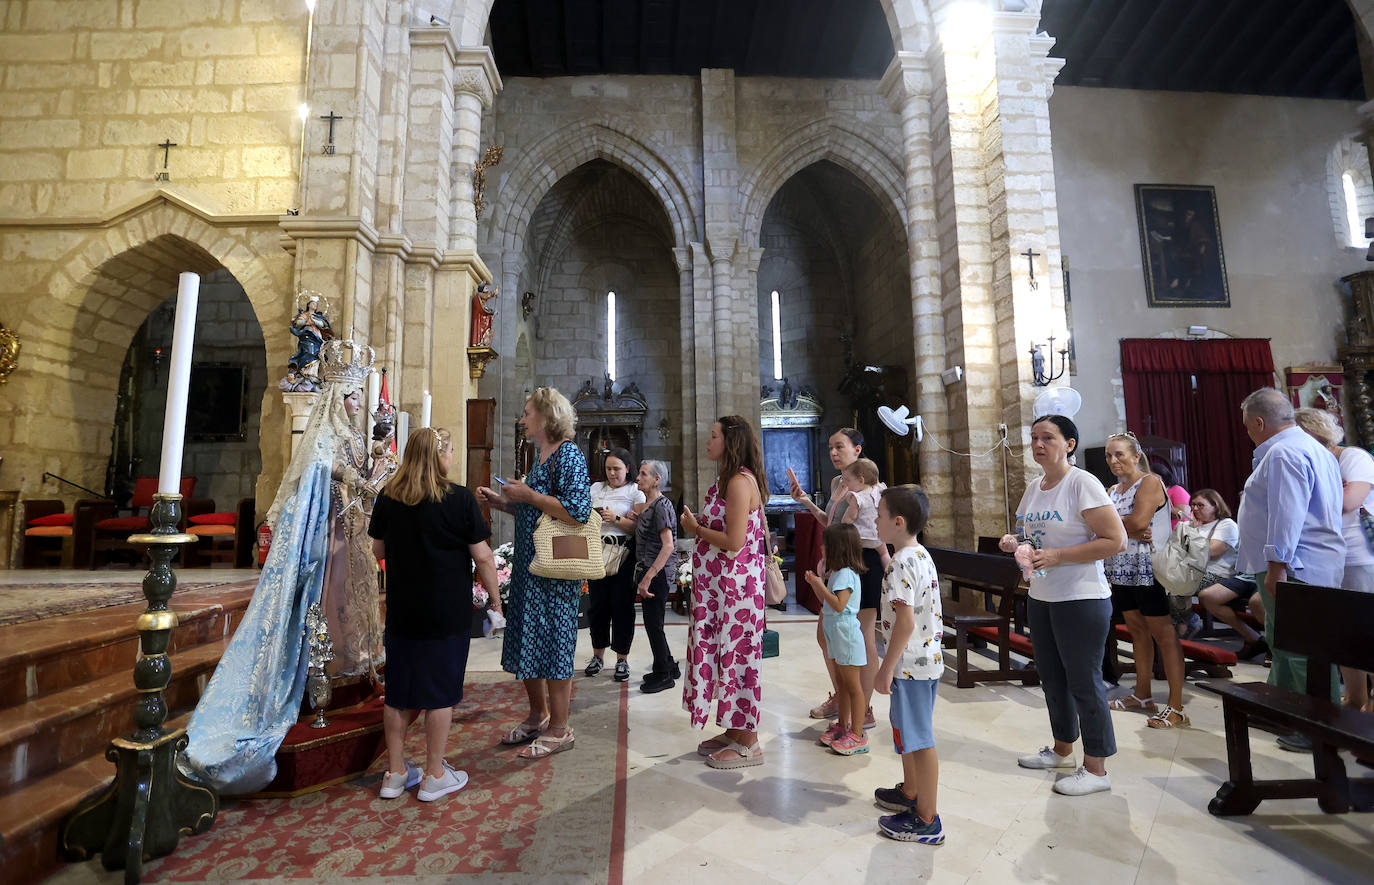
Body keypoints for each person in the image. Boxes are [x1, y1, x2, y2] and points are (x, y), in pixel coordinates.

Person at [183, 338, 387, 793]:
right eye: (351, 396)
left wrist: (372, 472)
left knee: (350, 604)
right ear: (336, 398)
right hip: (324, 540)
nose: (358, 404)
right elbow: (319, 473)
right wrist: (358, 477)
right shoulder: (325, 438)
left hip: (350, 535)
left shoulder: (354, 438)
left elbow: (361, 482)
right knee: (326, 602)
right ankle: (316, 676)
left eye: (360, 396)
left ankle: (351, 666)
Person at [369, 428, 500, 801]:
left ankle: (394, 774)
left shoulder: (389, 497)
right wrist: (495, 600)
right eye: (452, 451)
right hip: (445, 609)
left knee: (398, 693)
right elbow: (483, 556)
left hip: (403, 607)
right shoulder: (458, 498)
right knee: (440, 693)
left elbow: (378, 548)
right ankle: (434, 775)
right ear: (440, 456)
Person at [1000, 414, 1125, 797]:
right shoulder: (1035, 486)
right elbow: (1027, 532)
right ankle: (1062, 750)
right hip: (1043, 596)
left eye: (1048, 438)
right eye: (1034, 438)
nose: (1039, 445)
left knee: (1084, 682)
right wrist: (1013, 541)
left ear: (1069, 443)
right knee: (1052, 678)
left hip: (1082, 597)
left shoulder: (1081, 483)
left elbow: (1114, 540)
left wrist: (1057, 556)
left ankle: (1098, 769)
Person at [477, 387, 592, 760]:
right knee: (529, 641)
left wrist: (528, 496)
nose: (523, 419)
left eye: (528, 413)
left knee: (555, 645)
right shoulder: (540, 457)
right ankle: (538, 715)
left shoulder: (568, 455)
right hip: (531, 569)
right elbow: (539, 514)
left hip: (555, 574)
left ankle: (561, 728)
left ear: (546, 416)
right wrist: (504, 503)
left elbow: (576, 510)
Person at [1234, 388, 1344, 752]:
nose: (1248, 433)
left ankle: (1315, 723)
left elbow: (1287, 514)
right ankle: (1282, 707)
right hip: (1310, 564)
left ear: (1260, 423)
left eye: (1249, 427)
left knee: (1302, 648)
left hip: (1295, 567)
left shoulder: (1283, 452)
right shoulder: (1314, 449)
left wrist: (1277, 566)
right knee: (1284, 641)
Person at [683, 415, 768, 769]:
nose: (708, 441)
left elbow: (734, 543)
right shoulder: (725, 481)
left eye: (714, 436)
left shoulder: (737, 482)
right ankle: (734, 731)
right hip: (720, 591)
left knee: (737, 659)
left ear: (730, 442)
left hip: (737, 595)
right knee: (722, 657)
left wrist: (695, 529)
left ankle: (749, 742)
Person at [872, 484, 944, 844]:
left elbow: (905, 622)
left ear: (897, 522)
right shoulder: (916, 553)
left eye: (880, 516)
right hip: (924, 660)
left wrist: (886, 667)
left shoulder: (902, 561)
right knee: (908, 730)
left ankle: (927, 819)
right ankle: (911, 793)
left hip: (909, 664)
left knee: (918, 739)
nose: (875, 519)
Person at [1101, 431, 1189, 729]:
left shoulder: (1149, 482)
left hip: (1149, 568)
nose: (1113, 460)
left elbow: (1138, 522)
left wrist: (1121, 527)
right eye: (1109, 456)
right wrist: (1127, 528)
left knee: (1163, 634)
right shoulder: (1113, 490)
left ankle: (1176, 707)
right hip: (1122, 568)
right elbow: (1100, 525)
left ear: (1136, 456)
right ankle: (1142, 695)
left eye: (1119, 454)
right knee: (1137, 631)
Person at [788, 428, 873, 724]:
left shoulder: (865, 482)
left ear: (857, 449)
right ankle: (844, 695)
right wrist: (806, 502)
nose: (834, 453)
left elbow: (872, 529)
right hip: (838, 564)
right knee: (828, 636)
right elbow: (830, 522)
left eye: (840, 447)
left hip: (859, 565)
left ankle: (863, 705)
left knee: (860, 638)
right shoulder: (839, 482)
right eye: (830, 448)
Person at [1294, 407, 1374, 712]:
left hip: (1359, 556)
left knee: (1367, 629)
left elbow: (1349, 501)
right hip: (1330, 557)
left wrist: (1312, 496)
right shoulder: (1318, 463)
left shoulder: (1352, 457)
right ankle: (1356, 698)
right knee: (1342, 633)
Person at [804, 523, 867, 755]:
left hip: (846, 635)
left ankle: (858, 734)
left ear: (837, 548)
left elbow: (839, 606)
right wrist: (816, 584)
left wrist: (819, 585)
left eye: (826, 544)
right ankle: (842, 726)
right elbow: (828, 601)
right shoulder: (837, 574)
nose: (821, 547)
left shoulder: (847, 575)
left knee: (853, 687)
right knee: (842, 685)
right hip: (837, 634)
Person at [584, 447, 645, 682]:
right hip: (597, 549)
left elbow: (637, 527)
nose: (612, 473)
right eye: (608, 468)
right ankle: (597, 655)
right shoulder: (595, 488)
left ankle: (622, 659)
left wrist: (615, 519)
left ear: (627, 468)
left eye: (617, 469)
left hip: (623, 552)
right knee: (597, 606)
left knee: (622, 607)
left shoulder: (635, 491)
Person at [1192, 490, 1263, 658]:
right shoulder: (1192, 525)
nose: (1194, 509)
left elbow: (1213, 551)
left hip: (1252, 573)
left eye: (1200, 505)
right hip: (1246, 575)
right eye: (1192, 505)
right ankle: (1254, 638)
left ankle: (1277, 647)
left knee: (1257, 602)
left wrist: (1190, 543)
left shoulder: (1228, 524)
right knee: (1208, 596)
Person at [630, 459, 680, 694]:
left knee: (654, 625)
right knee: (653, 623)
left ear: (656, 480)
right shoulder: (650, 504)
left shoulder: (661, 505)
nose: (638, 478)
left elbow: (668, 546)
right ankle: (667, 665)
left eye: (643, 474)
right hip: (650, 569)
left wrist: (648, 577)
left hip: (657, 573)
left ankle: (664, 676)